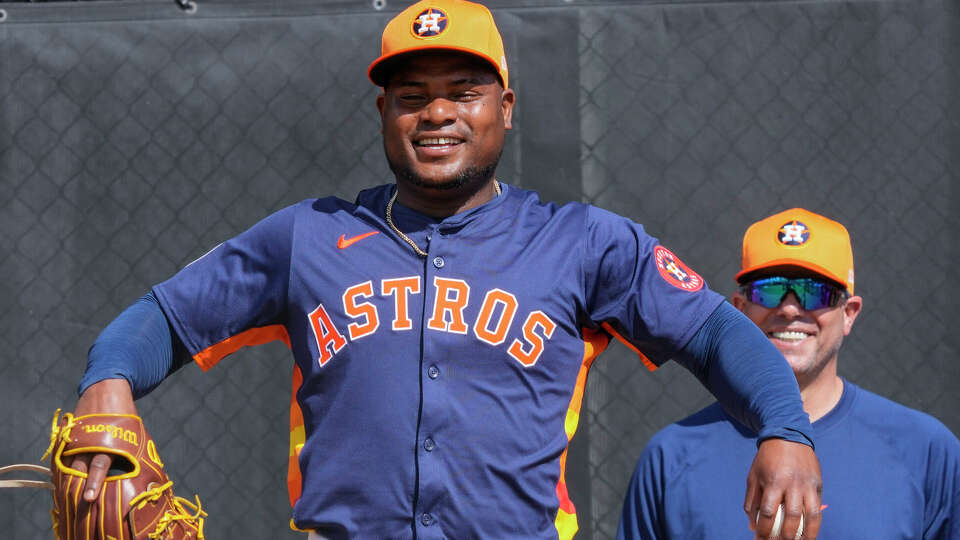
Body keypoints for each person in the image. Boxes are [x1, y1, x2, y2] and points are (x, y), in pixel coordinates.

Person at [63, 1, 822, 538]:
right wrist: (109, 386)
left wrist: (785, 429)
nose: (437, 114)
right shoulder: (309, 236)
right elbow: (161, 319)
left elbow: (718, 334)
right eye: (412, 96)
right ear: (384, 112)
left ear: (507, 107)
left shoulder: (582, 241)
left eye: (464, 92)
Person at [617, 208, 960, 539]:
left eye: (816, 292)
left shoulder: (925, 450)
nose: (791, 308)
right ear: (739, 308)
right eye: (770, 289)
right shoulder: (671, 458)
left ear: (849, 313)